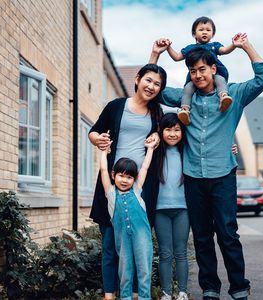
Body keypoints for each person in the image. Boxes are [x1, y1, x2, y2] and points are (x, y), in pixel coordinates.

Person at [149, 36, 263, 300]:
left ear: (213, 69)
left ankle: (239, 287)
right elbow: (152, 88)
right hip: (193, 176)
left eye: (202, 69)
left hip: (223, 175)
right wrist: (155, 55)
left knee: (228, 233)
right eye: (192, 71)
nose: (197, 75)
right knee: (203, 236)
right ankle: (210, 287)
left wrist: (245, 46)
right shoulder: (185, 99)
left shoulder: (235, 95)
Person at [88, 64, 166, 300]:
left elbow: (171, 134)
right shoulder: (116, 106)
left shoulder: (157, 114)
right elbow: (93, 131)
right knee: (111, 246)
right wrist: (98, 139)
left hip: (140, 188)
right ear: (138, 78)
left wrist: (159, 135)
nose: (151, 86)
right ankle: (110, 294)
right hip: (112, 183)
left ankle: (134, 294)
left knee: (137, 245)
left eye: (157, 84)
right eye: (148, 80)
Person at [99, 137, 158, 300]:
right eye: (121, 176)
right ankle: (125, 297)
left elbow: (145, 167)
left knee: (144, 269)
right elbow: (103, 170)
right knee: (125, 270)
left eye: (129, 177)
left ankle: (145, 297)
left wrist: (150, 149)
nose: (125, 180)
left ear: (134, 179)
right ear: (114, 175)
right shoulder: (110, 194)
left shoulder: (137, 190)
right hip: (123, 240)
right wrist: (103, 153)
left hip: (142, 238)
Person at [163, 16, 246, 125]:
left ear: (213, 33)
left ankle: (223, 98)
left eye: (208, 30)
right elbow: (177, 57)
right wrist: (168, 47)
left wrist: (234, 45)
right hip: (196, 77)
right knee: (188, 89)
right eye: (201, 30)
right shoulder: (190, 48)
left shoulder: (214, 46)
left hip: (214, 74)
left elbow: (225, 50)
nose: (205, 32)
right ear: (194, 33)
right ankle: (185, 110)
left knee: (220, 80)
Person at [154, 113, 189, 300]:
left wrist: (230, 149)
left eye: (177, 130)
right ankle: (166, 293)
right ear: (161, 131)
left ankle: (182, 292)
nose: (173, 134)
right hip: (161, 210)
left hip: (182, 209)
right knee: (165, 253)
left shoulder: (187, 152)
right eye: (168, 129)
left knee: (181, 252)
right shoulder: (155, 152)